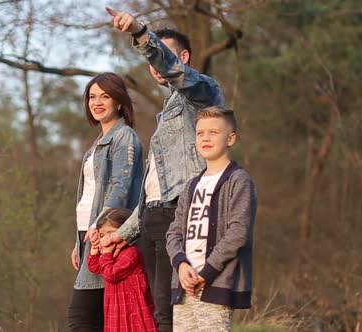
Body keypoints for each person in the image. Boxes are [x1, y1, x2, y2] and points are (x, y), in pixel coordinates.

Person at [104, 7, 226, 331]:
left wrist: (141, 34)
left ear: (183, 56)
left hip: (181, 214)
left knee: (183, 313)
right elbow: (154, 186)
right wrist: (125, 232)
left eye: (162, 55)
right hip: (154, 219)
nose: (155, 65)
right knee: (162, 315)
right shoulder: (166, 114)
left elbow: (177, 73)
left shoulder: (203, 94)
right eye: (151, 59)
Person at [166, 106, 257, 331]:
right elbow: (174, 232)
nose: (205, 137)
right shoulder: (190, 185)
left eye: (214, 132)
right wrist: (181, 264)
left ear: (231, 138)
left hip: (216, 284)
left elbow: (238, 233)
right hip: (184, 286)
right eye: (200, 133)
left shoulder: (238, 181)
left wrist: (206, 273)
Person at [68, 72, 144, 332]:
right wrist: (78, 242)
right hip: (89, 235)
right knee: (101, 317)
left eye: (105, 96)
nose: (97, 102)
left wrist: (99, 229)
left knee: (80, 317)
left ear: (119, 102)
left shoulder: (124, 138)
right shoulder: (97, 143)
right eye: (92, 97)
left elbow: (120, 188)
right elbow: (88, 195)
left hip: (105, 236)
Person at [87, 208, 158, 332]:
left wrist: (106, 253)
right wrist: (94, 250)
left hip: (132, 312)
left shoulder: (131, 253)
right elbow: (96, 267)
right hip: (117, 309)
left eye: (111, 233)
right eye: (102, 235)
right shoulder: (111, 255)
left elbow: (111, 274)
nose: (106, 239)